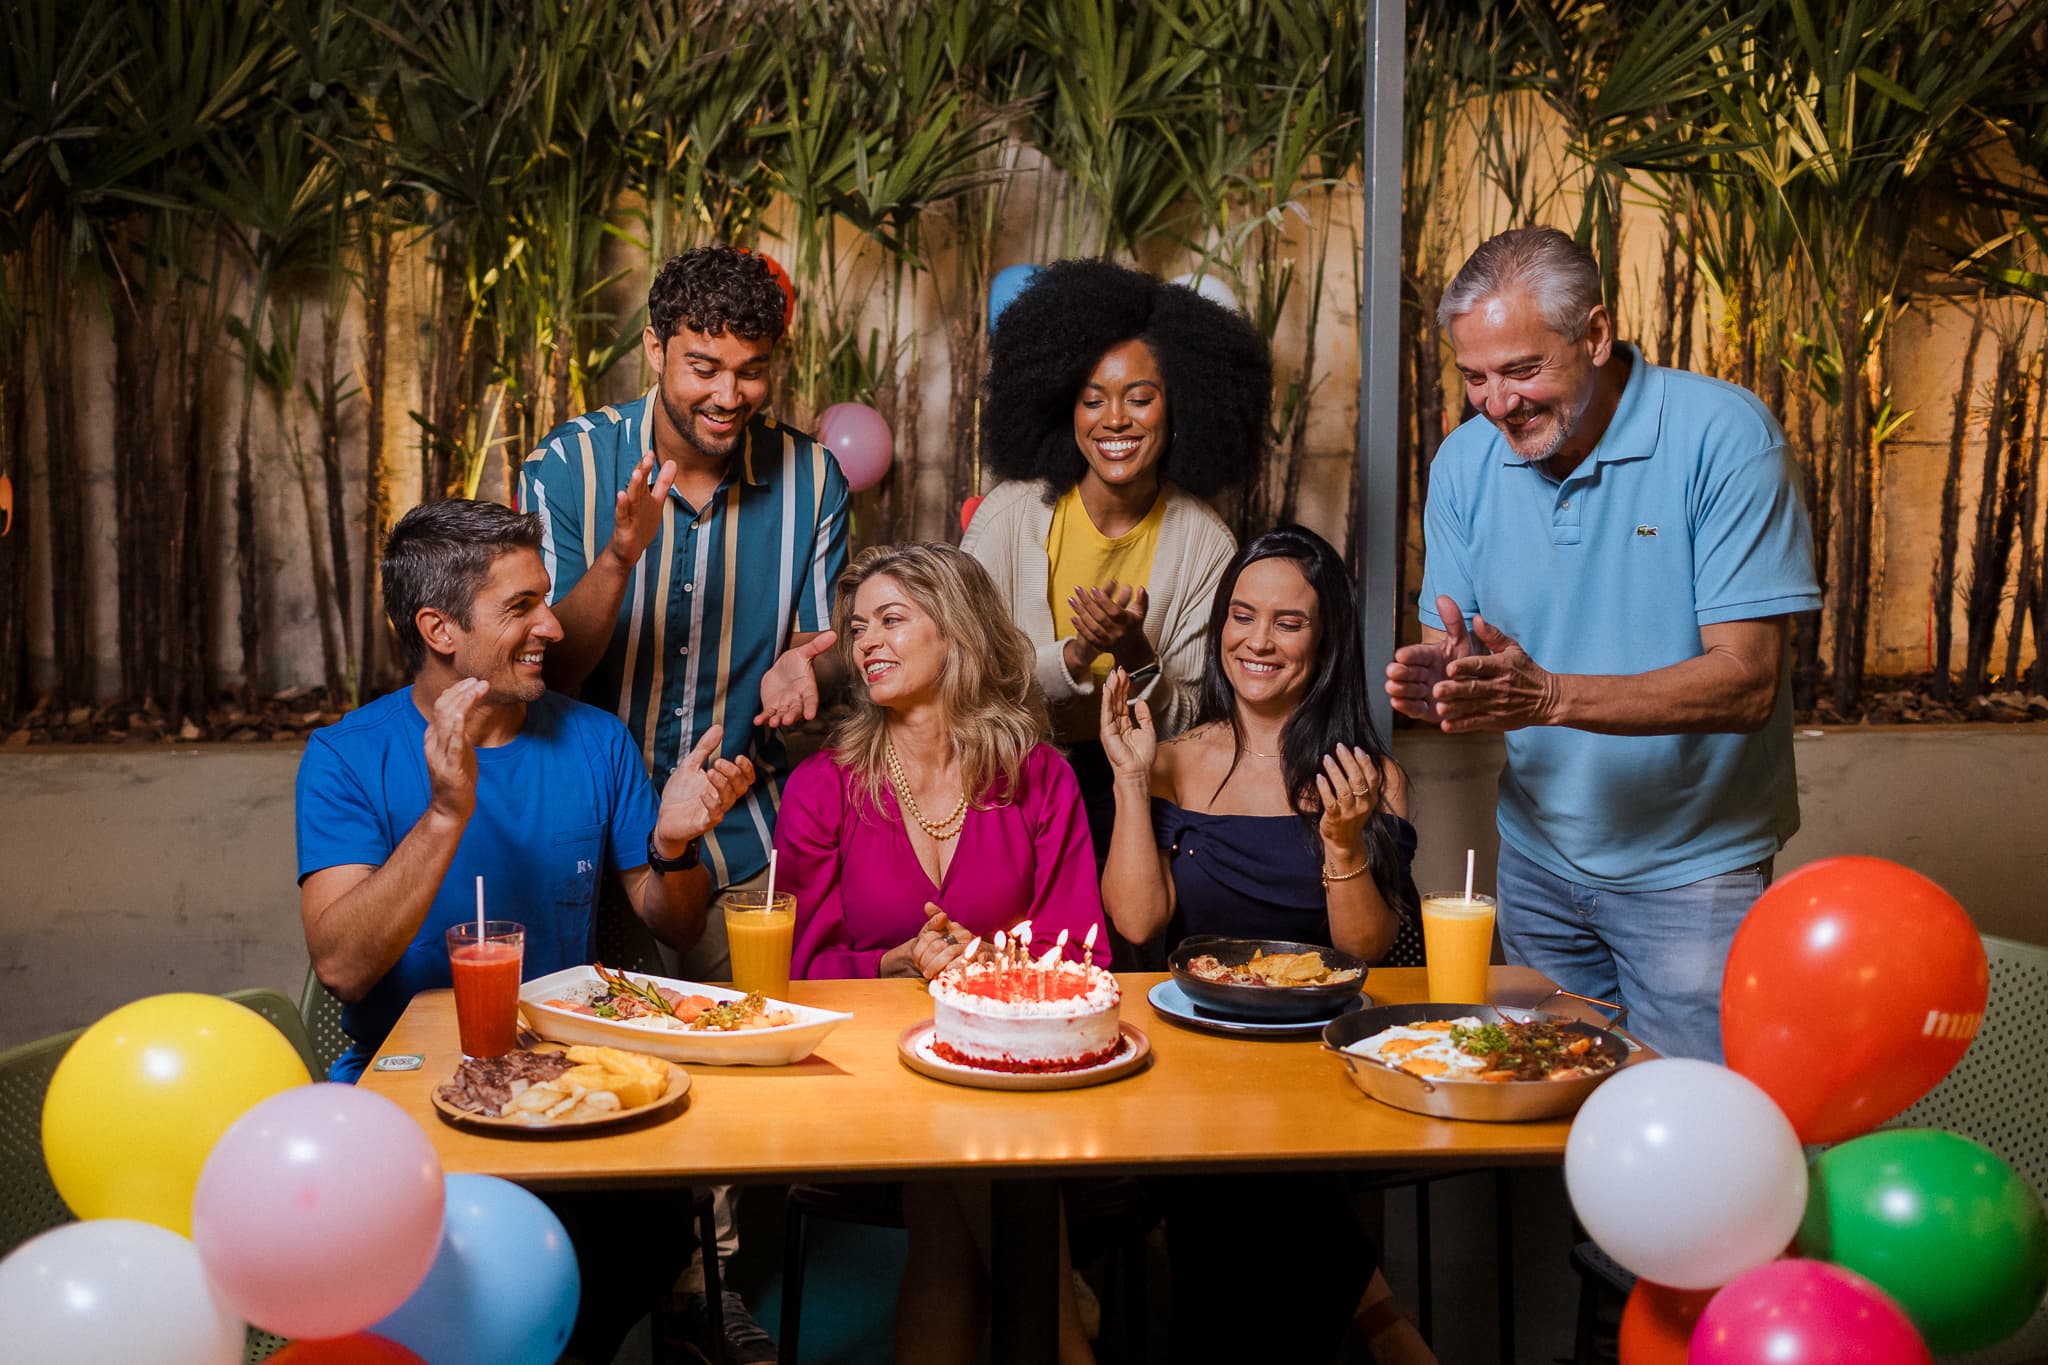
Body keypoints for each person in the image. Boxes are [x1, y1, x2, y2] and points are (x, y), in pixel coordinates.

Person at [295, 498, 755, 1364]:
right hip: (404, 1118)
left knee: (655, 1226)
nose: (552, 624)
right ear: (438, 628)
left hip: (563, 1099)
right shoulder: (347, 756)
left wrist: (673, 846)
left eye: (545, 597)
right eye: (520, 606)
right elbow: (344, 966)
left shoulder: (595, 741)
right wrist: (442, 815)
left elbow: (674, 923)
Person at [519, 242, 850, 1360]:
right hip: (597, 827)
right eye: (703, 365)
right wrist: (619, 557)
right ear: (656, 348)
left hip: (744, 826)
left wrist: (812, 667)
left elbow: (819, 641)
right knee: (608, 1070)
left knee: (734, 1061)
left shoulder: (809, 479)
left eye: (751, 370)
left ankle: (708, 1303)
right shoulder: (564, 468)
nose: (727, 394)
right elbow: (549, 674)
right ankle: (599, 1300)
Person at [1385, 225, 1822, 1064]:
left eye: (1522, 370)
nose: (1496, 403)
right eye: (1474, 376)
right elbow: (1480, 643)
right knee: (1559, 1138)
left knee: (1691, 1141)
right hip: (1539, 865)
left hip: (1697, 875)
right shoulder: (1463, 463)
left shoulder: (1725, 438)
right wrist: (1452, 671)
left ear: (1594, 333)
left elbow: (1746, 683)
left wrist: (1548, 696)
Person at [1098, 525, 1433, 1365]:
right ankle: (1386, 1327)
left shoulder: (1365, 773)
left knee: (1258, 1156)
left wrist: (1346, 846)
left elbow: (1367, 945)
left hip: (1327, 1056)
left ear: (1324, 639)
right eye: (1242, 616)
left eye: (1288, 622)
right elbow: (1138, 922)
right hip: (1200, 1049)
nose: (1257, 640)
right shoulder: (1173, 758)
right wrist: (1131, 780)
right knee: (1233, 1145)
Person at [775, 542, 1110, 1365]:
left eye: (892, 620)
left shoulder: (1040, 778)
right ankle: (1064, 1330)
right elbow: (795, 973)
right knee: (960, 1142)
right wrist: (889, 966)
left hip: (1029, 1080)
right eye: (858, 628)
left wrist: (987, 968)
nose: (866, 644)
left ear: (954, 635)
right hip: (865, 1077)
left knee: (945, 1198)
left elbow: (1085, 955)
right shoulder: (823, 786)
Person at [961, 258, 1270, 877]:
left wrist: (1136, 653)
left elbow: (1200, 718)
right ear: (1063, 409)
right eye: (1092, 400)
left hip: (1144, 789)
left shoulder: (1205, 543)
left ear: (1177, 406)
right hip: (1008, 783)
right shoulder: (1008, 517)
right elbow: (960, 674)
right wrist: (1072, 659)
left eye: (1140, 398)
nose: (1115, 420)